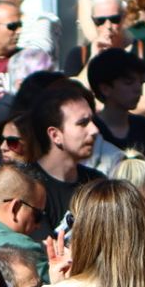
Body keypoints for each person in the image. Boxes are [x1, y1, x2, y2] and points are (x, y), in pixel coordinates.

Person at [88, 48, 145, 196]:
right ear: (105, 88)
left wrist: (142, 202)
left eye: (140, 82)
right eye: (128, 82)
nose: (138, 89)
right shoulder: (91, 129)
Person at [28, 78, 105, 239]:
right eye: (83, 123)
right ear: (55, 135)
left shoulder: (97, 183)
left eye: (92, 120)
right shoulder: (28, 187)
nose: (94, 130)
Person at [63, 0, 145, 81]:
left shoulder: (143, 52)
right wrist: (93, 58)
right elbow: (74, 91)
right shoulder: (79, 56)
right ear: (93, 21)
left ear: (123, 17)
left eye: (115, 19)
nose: (108, 26)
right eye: (100, 21)